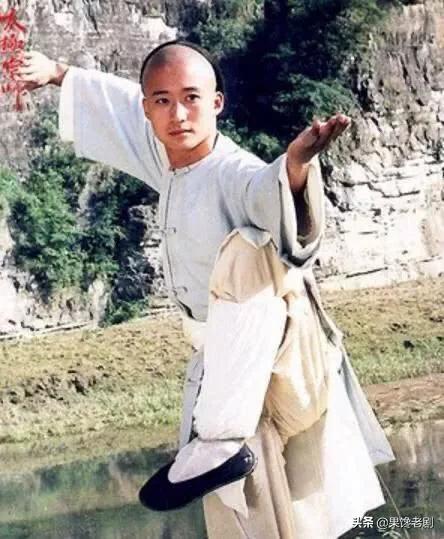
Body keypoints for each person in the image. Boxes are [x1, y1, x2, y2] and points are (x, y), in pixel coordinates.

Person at [18, 40, 395, 538]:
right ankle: (219, 447)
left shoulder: (233, 171)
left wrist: (296, 166)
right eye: (162, 101)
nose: (178, 114)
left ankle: (220, 443)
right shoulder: (165, 154)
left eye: (192, 98)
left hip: (276, 361)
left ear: (217, 102)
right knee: (240, 513)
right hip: (220, 368)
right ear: (148, 109)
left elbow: (266, 190)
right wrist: (55, 71)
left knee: (288, 507)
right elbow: (118, 103)